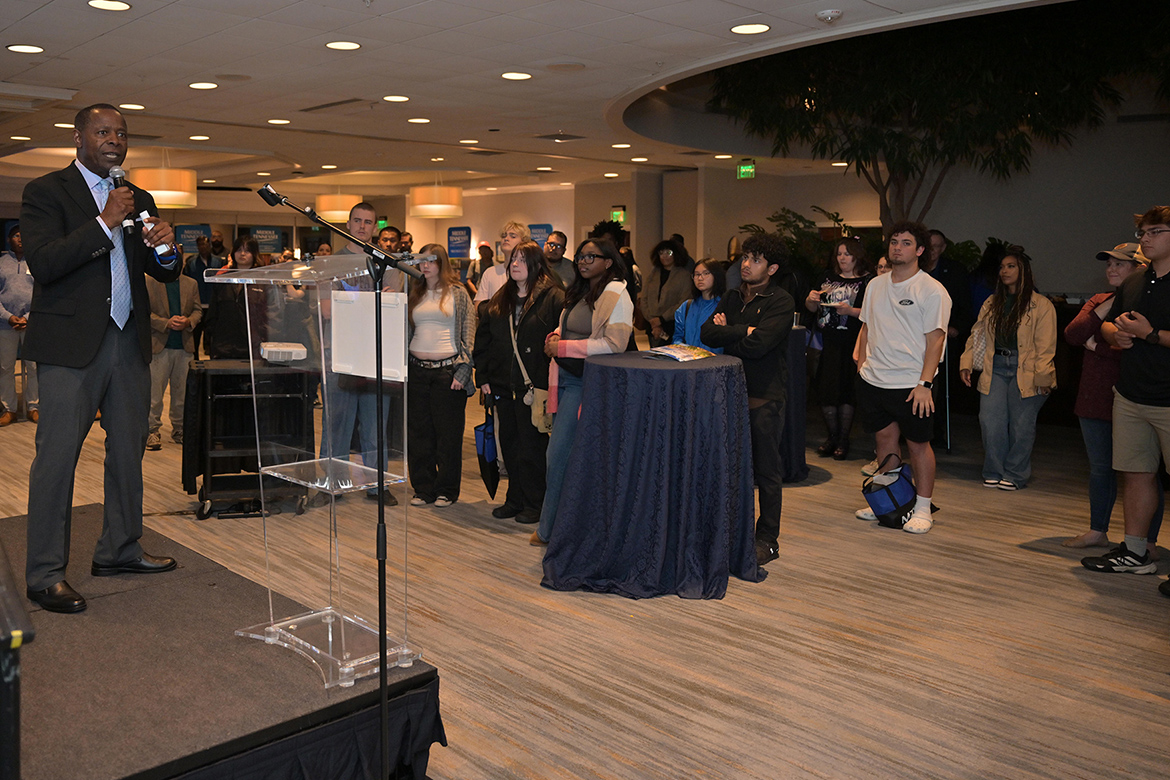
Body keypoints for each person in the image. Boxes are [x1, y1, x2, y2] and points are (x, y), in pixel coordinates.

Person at [21, 103, 180, 613]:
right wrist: (103, 221)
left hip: (128, 341)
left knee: (128, 451)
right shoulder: (46, 191)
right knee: (57, 460)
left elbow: (163, 272)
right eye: (104, 131)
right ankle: (45, 574)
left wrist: (167, 248)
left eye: (122, 133)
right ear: (79, 138)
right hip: (70, 347)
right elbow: (45, 263)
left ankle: (119, 549)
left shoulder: (139, 197)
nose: (115, 140)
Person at [1082, 207, 1170, 583]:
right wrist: (1114, 335)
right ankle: (1135, 552)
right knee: (1136, 474)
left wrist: (1151, 335)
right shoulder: (1135, 281)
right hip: (1131, 396)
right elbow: (1107, 326)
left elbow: (1150, 333)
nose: (1145, 239)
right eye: (1142, 233)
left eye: (1156, 231)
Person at [701, 233, 796, 566]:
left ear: (772, 268)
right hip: (730, 393)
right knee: (730, 469)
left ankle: (767, 539)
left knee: (766, 472)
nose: (746, 264)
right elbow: (707, 333)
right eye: (745, 257)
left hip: (764, 397)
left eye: (755, 260)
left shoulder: (780, 301)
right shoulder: (731, 296)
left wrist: (732, 331)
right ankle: (731, 532)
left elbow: (761, 345)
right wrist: (746, 330)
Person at [533, 238, 633, 546]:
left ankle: (550, 530)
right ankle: (559, 527)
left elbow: (614, 345)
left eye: (592, 257)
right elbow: (568, 328)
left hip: (586, 383)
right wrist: (556, 336)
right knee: (562, 457)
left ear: (608, 262)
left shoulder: (617, 295)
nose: (583, 261)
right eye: (580, 256)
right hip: (562, 377)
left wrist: (562, 346)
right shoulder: (578, 291)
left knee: (558, 456)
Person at [853, 221, 951, 534]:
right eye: (894, 242)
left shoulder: (931, 290)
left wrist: (925, 384)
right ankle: (888, 502)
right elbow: (867, 326)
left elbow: (936, 340)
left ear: (920, 250)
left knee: (918, 445)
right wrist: (862, 366)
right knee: (884, 440)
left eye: (906, 243)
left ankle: (922, 507)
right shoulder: (875, 285)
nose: (898, 247)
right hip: (874, 380)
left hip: (912, 384)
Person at [1062, 243, 1163, 550]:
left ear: (1140, 269)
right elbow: (1073, 335)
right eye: (1109, 264)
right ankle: (1098, 530)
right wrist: (1111, 304)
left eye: (1120, 264)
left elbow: (1141, 350)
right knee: (1100, 468)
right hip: (1094, 397)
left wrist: (1097, 346)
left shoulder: (1152, 303)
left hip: (1136, 397)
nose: (1111, 269)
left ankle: (1147, 541)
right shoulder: (1100, 300)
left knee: (1145, 473)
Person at [474, 240, 564, 523]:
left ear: (536, 264)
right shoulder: (501, 297)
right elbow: (484, 339)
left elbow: (559, 340)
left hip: (534, 386)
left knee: (532, 447)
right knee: (509, 445)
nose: (515, 264)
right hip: (503, 384)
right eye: (513, 259)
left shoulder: (553, 297)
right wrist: (483, 377)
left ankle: (535, 503)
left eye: (522, 260)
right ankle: (514, 499)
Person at [315, 202, 398, 506]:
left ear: (375, 227)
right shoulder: (331, 263)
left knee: (375, 426)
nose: (362, 226)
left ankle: (377, 485)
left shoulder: (386, 263)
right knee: (336, 425)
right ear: (348, 224)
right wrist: (373, 301)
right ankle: (331, 484)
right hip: (339, 354)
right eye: (357, 221)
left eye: (368, 222)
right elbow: (327, 310)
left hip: (375, 355)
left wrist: (351, 302)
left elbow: (392, 307)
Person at [959, 248, 1056, 490]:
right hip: (996, 366)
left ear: (1024, 270)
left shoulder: (1041, 305)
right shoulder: (992, 302)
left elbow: (1046, 346)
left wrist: (1043, 377)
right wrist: (966, 362)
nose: (1004, 271)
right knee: (989, 421)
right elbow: (977, 335)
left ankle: (1015, 474)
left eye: (1011, 266)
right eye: (1002, 267)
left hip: (1027, 369)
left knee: (1021, 426)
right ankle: (994, 470)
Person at [407, 243, 475, 507]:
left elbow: (469, 331)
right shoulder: (414, 292)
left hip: (448, 372)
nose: (425, 265)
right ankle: (423, 488)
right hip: (416, 371)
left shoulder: (458, 293)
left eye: (431, 261)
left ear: (442, 263)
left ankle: (446, 489)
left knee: (448, 435)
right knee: (419, 434)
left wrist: (464, 369)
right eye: (422, 260)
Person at [805, 236, 872, 460]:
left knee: (847, 391)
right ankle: (831, 437)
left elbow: (873, 312)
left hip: (853, 342)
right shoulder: (826, 277)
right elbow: (811, 308)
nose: (842, 258)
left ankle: (843, 439)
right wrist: (811, 299)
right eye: (839, 254)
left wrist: (850, 311)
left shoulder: (868, 281)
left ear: (857, 256)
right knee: (826, 390)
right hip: (826, 342)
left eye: (847, 254)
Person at [145, 270, 200, 449]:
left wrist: (189, 321)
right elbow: (143, 311)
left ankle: (180, 430)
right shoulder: (149, 281)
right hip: (158, 346)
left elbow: (198, 310)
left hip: (184, 347)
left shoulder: (191, 283)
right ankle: (151, 431)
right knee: (154, 394)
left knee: (182, 394)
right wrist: (165, 323)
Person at [203, 236, 269, 359]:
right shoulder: (223, 280)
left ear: (254, 254)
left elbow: (268, 314)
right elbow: (213, 313)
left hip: (252, 347)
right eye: (239, 250)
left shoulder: (262, 281)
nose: (242, 254)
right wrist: (210, 339)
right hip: (223, 346)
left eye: (247, 250)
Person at [0, 225, 37, 425]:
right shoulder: (1, 263)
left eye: (24, 235)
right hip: (5, 324)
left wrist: (28, 318)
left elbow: (42, 293)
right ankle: (9, 409)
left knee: (33, 367)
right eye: (16, 236)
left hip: (31, 323)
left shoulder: (37, 261)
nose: (20, 239)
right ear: (8, 240)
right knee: (5, 367)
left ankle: (34, 407)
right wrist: (8, 317)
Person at [639, 238, 694, 347]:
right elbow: (644, 298)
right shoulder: (653, 274)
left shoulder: (684, 276)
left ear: (676, 254)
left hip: (671, 324)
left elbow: (684, 302)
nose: (664, 256)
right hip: (651, 325)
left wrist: (661, 319)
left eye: (668, 253)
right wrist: (653, 321)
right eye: (661, 253)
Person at [183, 234, 224, 358]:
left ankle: (213, 359)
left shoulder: (219, 262)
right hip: (197, 305)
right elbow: (187, 284)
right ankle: (194, 361)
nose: (203, 247)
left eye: (206, 244)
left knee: (212, 335)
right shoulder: (191, 263)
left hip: (213, 305)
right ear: (197, 246)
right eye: (200, 244)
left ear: (209, 245)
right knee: (195, 336)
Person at [671, 258, 724, 352]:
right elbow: (677, 337)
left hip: (715, 359)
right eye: (697, 274)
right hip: (688, 358)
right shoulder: (686, 307)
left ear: (716, 275)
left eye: (706, 273)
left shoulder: (724, 306)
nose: (700, 278)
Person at [475, 222, 527, 306]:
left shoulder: (528, 271)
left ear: (524, 242)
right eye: (503, 236)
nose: (506, 239)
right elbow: (478, 305)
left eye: (513, 236)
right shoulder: (490, 273)